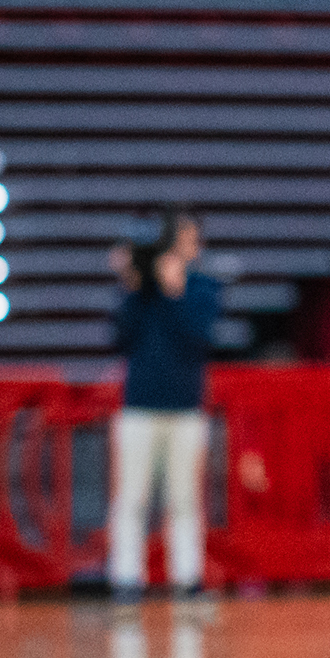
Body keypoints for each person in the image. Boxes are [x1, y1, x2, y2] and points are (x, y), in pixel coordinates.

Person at [108, 208, 223, 599]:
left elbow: (200, 338)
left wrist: (175, 294)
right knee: (131, 497)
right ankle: (126, 580)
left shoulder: (204, 288)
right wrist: (132, 285)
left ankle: (187, 579)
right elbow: (120, 337)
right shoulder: (141, 292)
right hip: (139, 406)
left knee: (185, 499)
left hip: (186, 409)